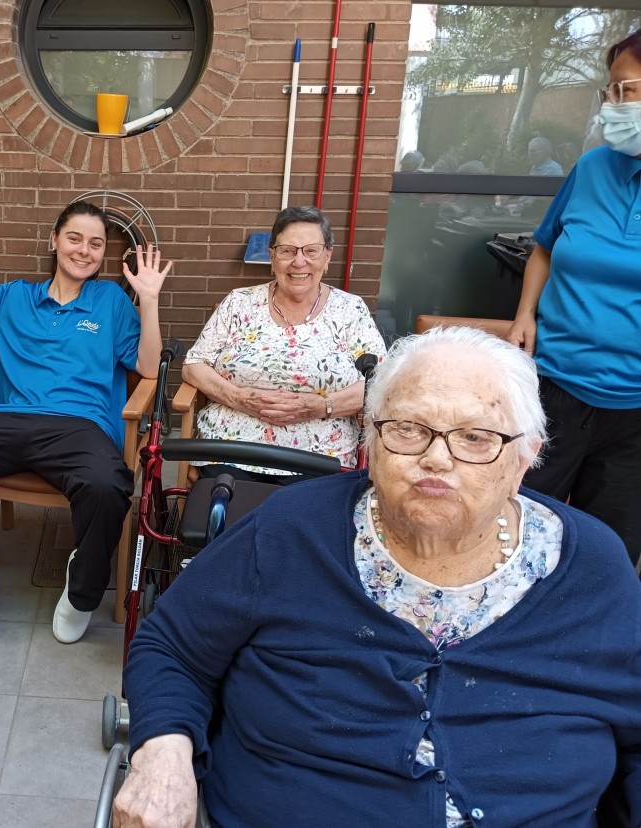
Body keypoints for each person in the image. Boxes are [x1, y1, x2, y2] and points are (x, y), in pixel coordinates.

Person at [114, 325, 641, 827]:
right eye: (409, 429)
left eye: (476, 437)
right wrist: (162, 753)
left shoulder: (593, 568)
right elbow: (173, 647)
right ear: (371, 439)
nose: (437, 459)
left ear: (526, 456)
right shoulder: (291, 530)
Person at [0, 202, 170, 645]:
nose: (84, 250)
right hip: (7, 423)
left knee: (107, 486)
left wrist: (149, 301)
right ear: (54, 241)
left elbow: (147, 367)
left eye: (96, 244)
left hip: (78, 427)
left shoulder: (109, 301)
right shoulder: (13, 296)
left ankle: (82, 592)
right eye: (74, 238)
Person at [507, 30, 641, 567]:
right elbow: (544, 248)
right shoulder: (591, 168)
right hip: (554, 385)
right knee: (515, 526)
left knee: (608, 552)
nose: (615, 104)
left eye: (628, 90)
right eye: (612, 90)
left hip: (634, 411)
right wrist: (524, 314)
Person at [181, 206, 384, 480]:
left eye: (311, 251)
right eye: (287, 251)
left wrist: (320, 406)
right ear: (272, 257)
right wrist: (239, 398)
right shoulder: (239, 302)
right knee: (227, 502)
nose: (299, 262)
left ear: (327, 256)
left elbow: (381, 382)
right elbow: (194, 365)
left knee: (307, 506)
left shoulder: (350, 310)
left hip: (321, 455)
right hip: (232, 447)